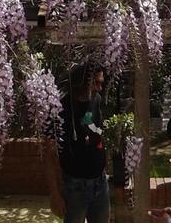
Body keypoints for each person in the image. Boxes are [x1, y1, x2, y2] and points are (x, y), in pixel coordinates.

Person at [45, 62, 109, 223]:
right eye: (96, 83)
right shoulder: (60, 107)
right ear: (82, 81)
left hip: (100, 182)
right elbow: (49, 154)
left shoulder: (96, 99)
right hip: (75, 186)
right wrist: (55, 194)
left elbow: (98, 133)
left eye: (102, 83)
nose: (100, 88)